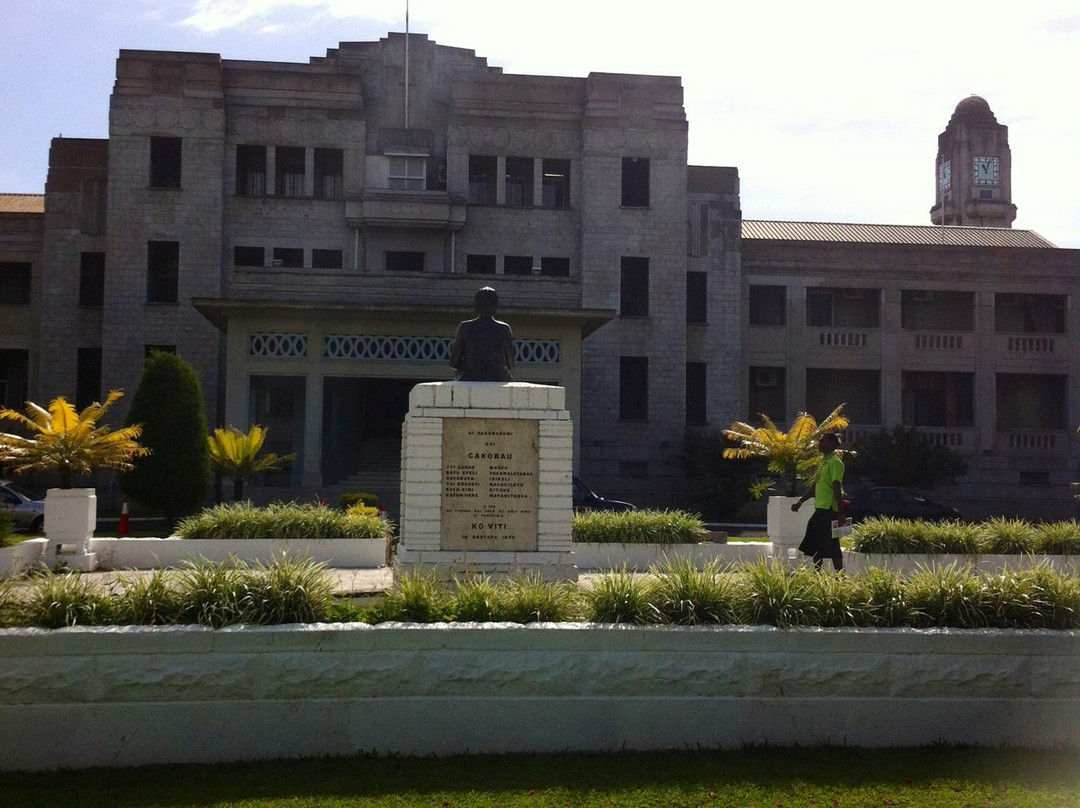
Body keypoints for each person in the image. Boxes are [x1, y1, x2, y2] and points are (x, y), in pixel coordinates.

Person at [791, 432, 846, 570]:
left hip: (828, 509)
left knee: (830, 544)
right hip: (821, 508)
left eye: (823, 441)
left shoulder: (835, 463)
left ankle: (840, 577)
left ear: (832, 444)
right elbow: (815, 486)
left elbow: (836, 488)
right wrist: (801, 501)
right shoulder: (823, 462)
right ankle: (818, 574)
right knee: (818, 543)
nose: (819, 444)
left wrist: (840, 513)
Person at [449, 286, 515, 382]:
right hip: (499, 377)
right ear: (495, 305)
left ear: (477, 305)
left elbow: (453, 363)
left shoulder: (465, 327)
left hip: (469, 376)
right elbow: (511, 364)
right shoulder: (504, 329)